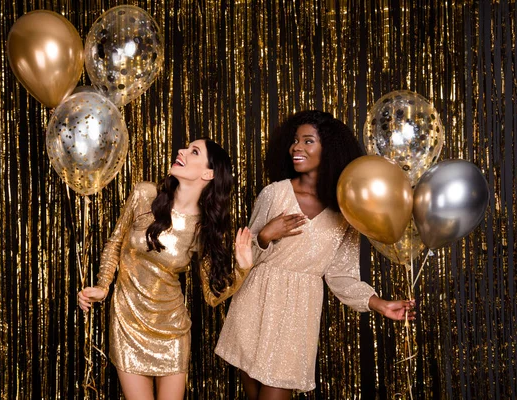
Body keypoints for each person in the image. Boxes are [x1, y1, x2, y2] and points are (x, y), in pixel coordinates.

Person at [215, 110, 415, 399]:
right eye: (295, 141)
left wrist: (379, 304)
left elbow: (341, 275)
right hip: (255, 303)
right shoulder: (274, 194)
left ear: (329, 150)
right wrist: (265, 235)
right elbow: (245, 259)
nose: (297, 147)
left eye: (308, 141)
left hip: (299, 313)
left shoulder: (346, 210)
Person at [78, 138, 253, 400]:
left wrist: (242, 270)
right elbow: (115, 243)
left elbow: (211, 295)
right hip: (128, 322)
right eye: (185, 147)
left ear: (209, 174)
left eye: (194, 152)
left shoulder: (202, 228)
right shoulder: (144, 194)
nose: (181, 151)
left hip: (172, 330)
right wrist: (103, 287)